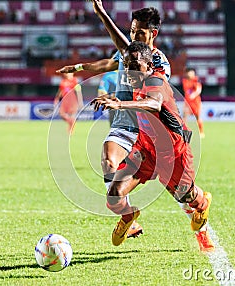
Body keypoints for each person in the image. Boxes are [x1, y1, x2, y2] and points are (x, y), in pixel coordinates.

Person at [57, 3, 170, 239]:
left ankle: (195, 210)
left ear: (153, 34)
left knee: (177, 187)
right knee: (108, 162)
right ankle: (128, 216)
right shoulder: (124, 53)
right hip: (123, 125)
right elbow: (108, 64)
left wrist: (102, 14)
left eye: (140, 32)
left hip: (147, 131)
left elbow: (149, 89)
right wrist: (78, 67)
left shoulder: (159, 61)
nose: (134, 36)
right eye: (132, 31)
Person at [92, 41, 214, 251]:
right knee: (114, 196)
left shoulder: (156, 81)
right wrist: (112, 98)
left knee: (186, 196)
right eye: (127, 65)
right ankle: (129, 215)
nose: (129, 70)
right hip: (146, 151)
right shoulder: (136, 81)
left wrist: (119, 104)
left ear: (148, 66)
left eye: (135, 65)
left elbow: (154, 103)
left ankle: (202, 204)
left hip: (174, 155)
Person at [182, 67, 204, 137]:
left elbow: (198, 90)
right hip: (187, 102)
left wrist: (193, 95)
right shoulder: (184, 80)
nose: (190, 74)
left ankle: (201, 132)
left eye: (191, 72)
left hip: (196, 102)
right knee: (184, 117)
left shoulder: (196, 80)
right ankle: (184, 132)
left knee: (197, 117)